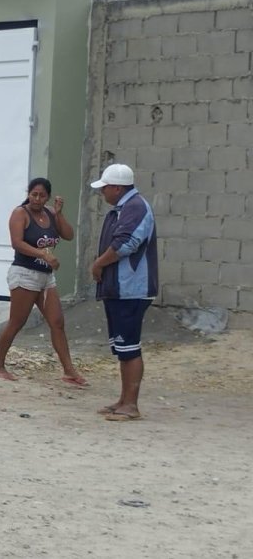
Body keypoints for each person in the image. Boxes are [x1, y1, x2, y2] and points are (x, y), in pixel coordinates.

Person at [0, 178, 86, 386]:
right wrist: (43, 255)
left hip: (46, 276)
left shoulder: (51, 213)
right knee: (17, 322)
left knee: (57, 322)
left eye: (42, 195)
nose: (37, 199)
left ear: (48, 197)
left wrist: (59, 214)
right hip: (25, 274)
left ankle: (69, 371)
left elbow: (68, 235)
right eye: (33, 194)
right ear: (28, 193)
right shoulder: (20, 213)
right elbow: (17, 243)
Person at [90, 163, 158, 422]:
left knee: (129, 347)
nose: (102, 193)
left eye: (105, 188)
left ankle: (131, 405)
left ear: (117, 187)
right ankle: (123, 400)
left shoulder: (135, 207)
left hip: (131, 289)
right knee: (122, 347)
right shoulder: (123, 208)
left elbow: (126, 244)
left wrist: (98, 263)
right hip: (119, 289)